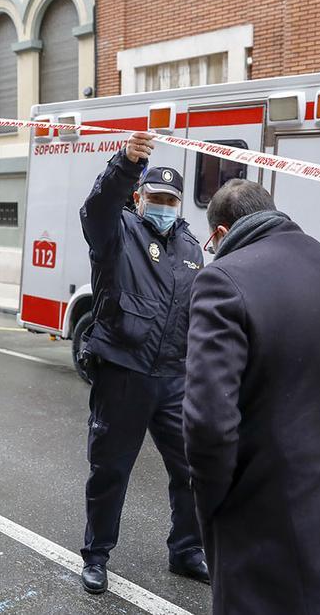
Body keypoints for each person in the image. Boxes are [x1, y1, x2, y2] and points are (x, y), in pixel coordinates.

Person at [184, 179, 320, 614]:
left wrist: (212, 506)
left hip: (271, 532)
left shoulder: (223, 280)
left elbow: (209, 422)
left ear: (222, 234)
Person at [77, 132, 208, 594]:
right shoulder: (118, 231)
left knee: (193, 469)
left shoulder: (192, 250)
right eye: (155, 197)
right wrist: (125, 164)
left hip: (175, 376)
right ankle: (96, 555)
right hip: (124, 372)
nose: (163, 205)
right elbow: (96, 208)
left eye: (170, 199)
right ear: (139, 197)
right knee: (111, 469)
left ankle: (187, 550)